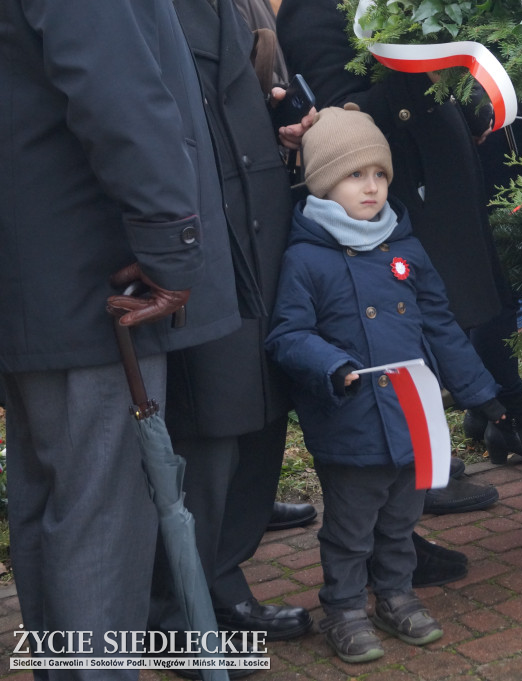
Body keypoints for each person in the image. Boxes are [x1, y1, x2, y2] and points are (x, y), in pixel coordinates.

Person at [0, 0, 240, 676]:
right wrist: (174, 246)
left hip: (43, 275)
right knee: (98, 522)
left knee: (55, 506)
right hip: (95, 280)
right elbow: (121, 99)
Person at [265, 106, 507, 663]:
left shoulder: (406, 247)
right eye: (355, 176)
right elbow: (288, 334)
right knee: (351, 527)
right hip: (350, 420)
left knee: (402, 518)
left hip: (411, 416)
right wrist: (331, 365)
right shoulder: (307, 257)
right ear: (324, 183)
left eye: (379, 174)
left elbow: (441, 327)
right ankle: (344, 609)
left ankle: (395, 595)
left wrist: (482, 395)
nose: (371, 187)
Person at [276, 0, 522, 473]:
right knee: (408, 332)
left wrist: (471, 104)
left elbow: (457, 55)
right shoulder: (313, 8)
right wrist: (423, 73)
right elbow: (340, 111)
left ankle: (474, 432)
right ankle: (419, 483)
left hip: (439, 172)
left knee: (466, 309)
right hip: (386, 193)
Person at [148, 0, 316, 660]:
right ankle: (184, 604)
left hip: (260, 221)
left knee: (261, 410)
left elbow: (253, 90)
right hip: (200, 237)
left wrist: (284, 121)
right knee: (212, 426)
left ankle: (224, 574)